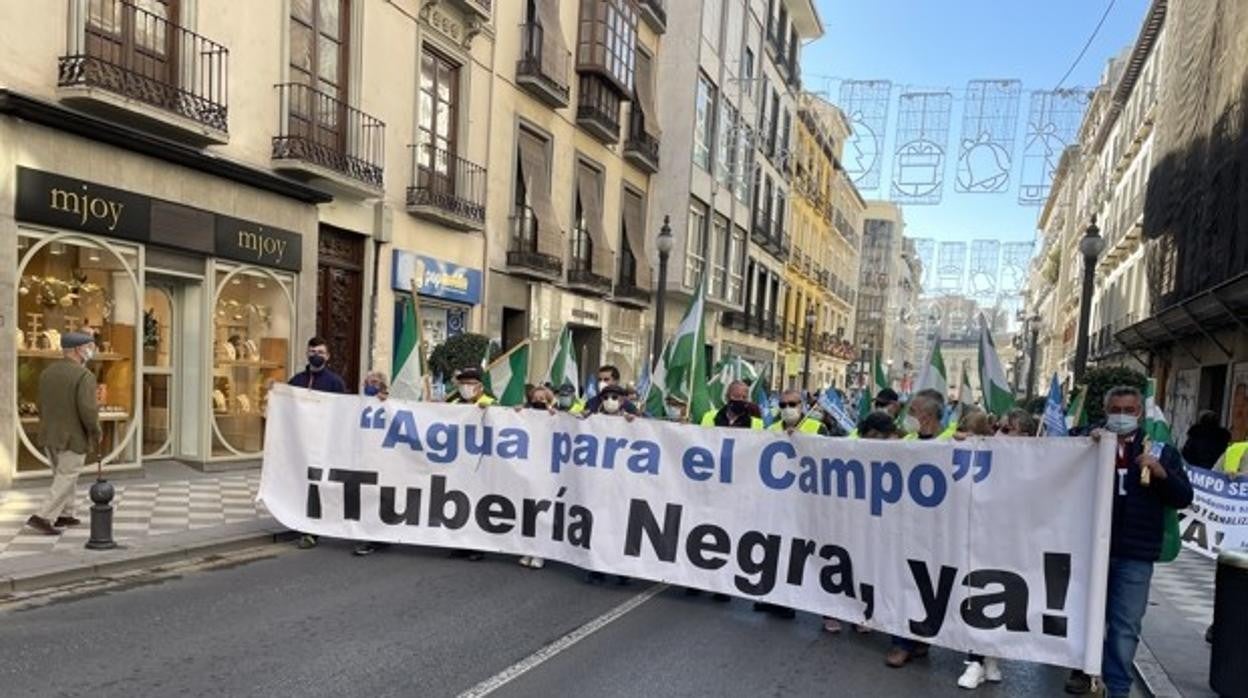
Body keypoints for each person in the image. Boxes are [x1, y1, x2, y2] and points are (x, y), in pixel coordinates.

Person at [1065, 386, 1193, 698]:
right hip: (1091, 550)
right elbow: (1057, 460)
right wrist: (1085, 440)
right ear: (1106, 411)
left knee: (1125, 626)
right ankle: (1083, 672)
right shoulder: (1088, 441)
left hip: (1135, 553)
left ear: (1139, 413)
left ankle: (1118, 688)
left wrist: (1163, 474)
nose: (1122, 416)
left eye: (1129, 410)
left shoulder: (1160, 450)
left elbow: (1183, 498)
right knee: (1084, 617)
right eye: (1116, 409)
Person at [955, 407, 1034, 689]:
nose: (998, 433)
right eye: (998, 427)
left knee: (1007, 598)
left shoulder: (1040, 463)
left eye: (1007, 429)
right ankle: (975, 660)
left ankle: (992, 658)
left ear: (1025, 435)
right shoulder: (986, 452)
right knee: (979, 593)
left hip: (1017, 541)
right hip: (984, 535)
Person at [886, 390, 948, 668]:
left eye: (913, 410)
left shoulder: (951, 441)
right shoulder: (907, 442)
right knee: (902, 581)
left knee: (929, 585)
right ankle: (902, 643)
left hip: (939, 529)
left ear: (928, 415)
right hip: (906, 526)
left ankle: (921, 638)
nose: (908, 416)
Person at [26, 331, 102, 535]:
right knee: (67, 476)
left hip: (49, 434)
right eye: (90, 346)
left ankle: (65, 514)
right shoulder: (84, 375)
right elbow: (88, 409)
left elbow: (41, 404)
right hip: (73, 436)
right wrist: (96, 431)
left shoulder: (47, 373)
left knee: (62, 475)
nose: (92, 350)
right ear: (78, 350)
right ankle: (43, 516)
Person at [288, 336, 349, 549]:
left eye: (321, 353)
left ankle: (312, 530)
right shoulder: (296, 381)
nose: (316, 356)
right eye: (313, 352)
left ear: (328, 356)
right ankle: (300, 521)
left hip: (325, 444)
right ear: (307, 353)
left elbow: (344, 413)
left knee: (317, 486)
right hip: (300, 444)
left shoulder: (335, 383)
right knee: (300, 484)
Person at [447, 367, 495, 561]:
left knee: (479, 504)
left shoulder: (491, 403)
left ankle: (477, 545)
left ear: (480, 386)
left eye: (470, 383)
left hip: (481, 464)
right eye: (462, 384)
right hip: (458, 463)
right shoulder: (454, 403)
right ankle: (460, 542)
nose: (465, 387)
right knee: (459, 504)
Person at [353, 372, 391, 557]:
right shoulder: (356, 404)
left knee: (378, 497)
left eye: (375, 382)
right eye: (368, 382)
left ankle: (376, 537)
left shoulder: (390, 405)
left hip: (381, 460)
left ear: (383, 385)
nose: (371, 385)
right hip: (362, 458)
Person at [519, 385, 557, 570]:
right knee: (527, 511)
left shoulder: (556, 416)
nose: (539, 401)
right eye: (536, 397)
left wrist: (555, 415)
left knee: (543, 511)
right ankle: (528, 549)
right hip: (528, 469)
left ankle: (541, 552)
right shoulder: (525, 413)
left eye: (544, 398)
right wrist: (516, 412)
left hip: (547, 471)